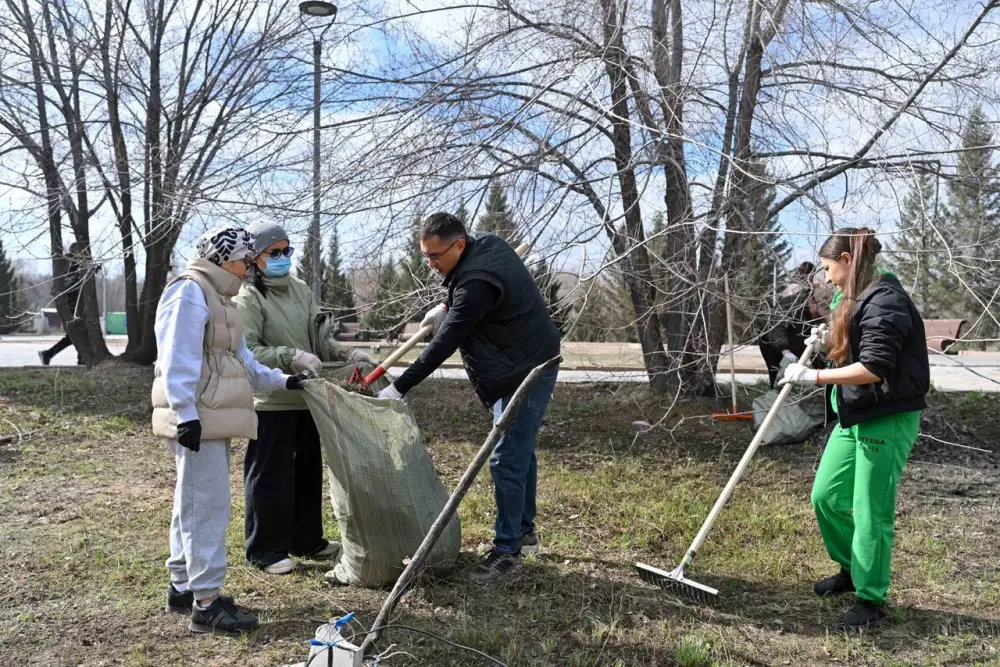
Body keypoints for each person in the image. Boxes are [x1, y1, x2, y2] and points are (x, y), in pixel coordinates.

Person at [376, 212, 562, 583]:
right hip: (520, 359)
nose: (430, 265)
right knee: (518, 452)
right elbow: (470, 298)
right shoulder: (487, 244)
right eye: (425, 256)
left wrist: (399, 386)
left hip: (527, 368)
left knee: (506, 458)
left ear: (460, 244)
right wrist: (448, 306)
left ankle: (507, 551)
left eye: (435, 256)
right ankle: (523, 532)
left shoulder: (476, 282)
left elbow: (446, 343)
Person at [152, 226, 309, 636]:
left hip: (208, 415)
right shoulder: (189, 292)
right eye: (244, 260)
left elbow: (243, 361)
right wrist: (185, 413)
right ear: (223, 259)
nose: (248, 268)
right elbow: (177, 356)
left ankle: (183, 587)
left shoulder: (220, 298)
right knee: (207, 505)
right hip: (197, 417)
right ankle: (206, 603)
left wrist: (282, 381)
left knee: (191, 501)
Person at [778, 227, 929, 630]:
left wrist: (813, 378)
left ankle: (871, 600)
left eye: (828, 268)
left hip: (888, 415)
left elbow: (874, 367)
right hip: (855, 413)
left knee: (869, 509)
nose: (825, 278)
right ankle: (852, 568)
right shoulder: (853, 297)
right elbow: (853, 348)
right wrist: (824, 340)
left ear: (847, 261)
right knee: (826, 497)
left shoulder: (887, 299)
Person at [234, 222, 376, 575]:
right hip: (273, 400)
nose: (283, 258)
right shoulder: (250, 297)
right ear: (254, 257)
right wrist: (290, 356)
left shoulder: (300, 290)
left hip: (309, 398)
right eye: (274, 252)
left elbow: (321, 340)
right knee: (271, 476)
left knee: (307, 473)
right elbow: (247, 350)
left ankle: (306, 541)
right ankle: (265, 550)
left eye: (287, 251)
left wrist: (348, 355)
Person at [757, 262, 818, 389]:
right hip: (774, 343)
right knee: (779, 380)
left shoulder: (810, 295)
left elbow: (807, 326)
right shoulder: (792, 297)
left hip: (793, 340)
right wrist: (785, 350)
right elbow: (777, 326)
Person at [38, 242, 83, 366]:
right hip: (71, 304)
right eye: (81, 252)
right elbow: (71, 281)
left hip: (73, 303)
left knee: (75, 334)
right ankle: (82, 360)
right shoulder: (70, 263)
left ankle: (48, 354)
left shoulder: (71, 263)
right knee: (78, 333)